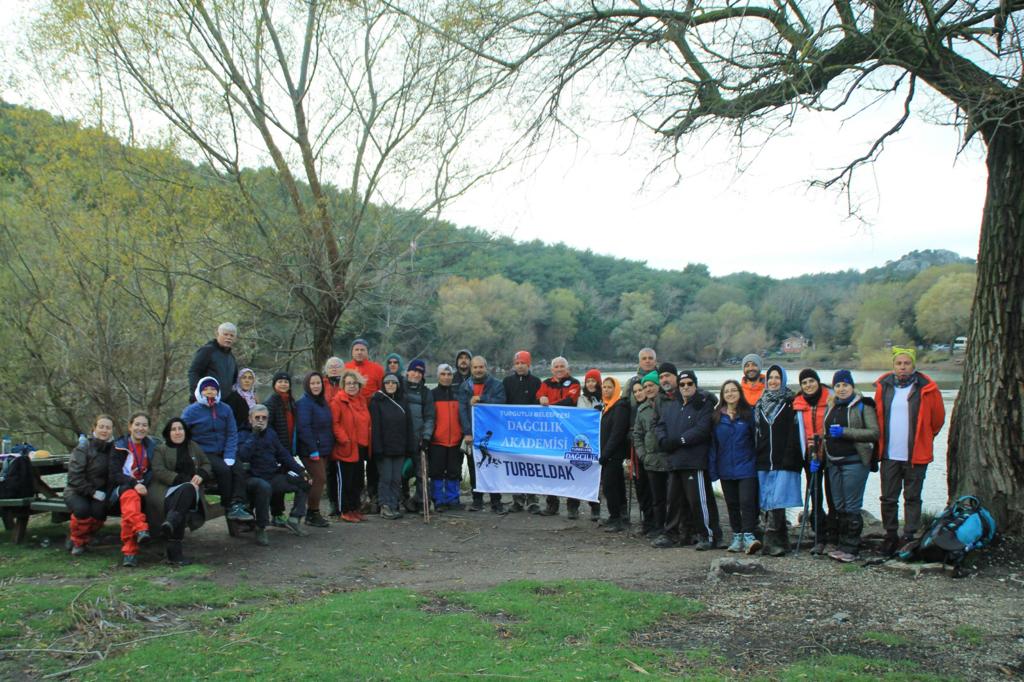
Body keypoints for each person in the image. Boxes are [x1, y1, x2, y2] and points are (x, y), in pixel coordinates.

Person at [874, 347, 946, 556]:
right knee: (888, 497)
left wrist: (924, 437)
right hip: (889, 453)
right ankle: (890, 535)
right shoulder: (884, 387)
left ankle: (909, 536)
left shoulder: (927, 388)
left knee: (912, 497)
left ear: (913, 365)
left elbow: (937, 419)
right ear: (893, 366)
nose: (902, 367)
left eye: (906, 363)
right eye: (899, 363)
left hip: (916, 454)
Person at [655, 369, 722, 550]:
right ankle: (671, 534)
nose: (686, 387)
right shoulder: (673, 406)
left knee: (698, 500)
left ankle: (708, 535)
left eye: (689, 384)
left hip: (694, 461)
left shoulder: (703, 404)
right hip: (675, 461)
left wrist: (680, 440)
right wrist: (663, 440)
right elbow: (661, 425)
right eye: (682, 384)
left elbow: (702, 429)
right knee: (673, 500)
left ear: (695, 384)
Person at [823, 370, 880, 562]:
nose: (841, 389)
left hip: (854, 462)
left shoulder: (864, 406)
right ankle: (841, 545)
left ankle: (852, 548)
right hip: (833, 461)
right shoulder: (831, 406)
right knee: (838, 505)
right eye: (838, 385)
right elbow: (826, 433)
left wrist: (845, 432)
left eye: (845, 385)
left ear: (852, 386)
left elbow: (873, 433)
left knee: (852, 506)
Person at [237, 405, 310, 546]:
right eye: (257, 417)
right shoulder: (243, 434)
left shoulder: (271, 434)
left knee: (304, 481)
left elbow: (283, 454)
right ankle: (261, 527)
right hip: (252, 477)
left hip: (272, 475)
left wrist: (301, 470)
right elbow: (242, 455)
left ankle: (294, 518)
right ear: (250, 419)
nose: (260, 420)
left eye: (264, 418)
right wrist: (255, 435)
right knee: (264, 487)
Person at [181, 376, 250, 523]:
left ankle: (238, 503)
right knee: (223, 470)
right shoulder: (191, 411)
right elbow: (182, 434)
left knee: (238, 468)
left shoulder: (225, 409)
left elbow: (232, 432)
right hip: (204, 452)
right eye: (206, 389)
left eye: (213, 389)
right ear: (200, 392)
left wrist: (230, 453)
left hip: (225, 450)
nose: (209, 392)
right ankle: (228, 505)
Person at [753, 365, 803, 556]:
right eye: (771, 378)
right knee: (767, 500)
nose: (773, 381)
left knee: (778, 500)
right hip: (765, 458)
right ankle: (782, 542)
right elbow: (758, 432)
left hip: (785, 459)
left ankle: (771, 541)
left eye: (777, 378)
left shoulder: (792, 403)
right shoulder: (760, 404)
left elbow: (797, 432)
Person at [150, 418, 212, 566]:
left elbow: (206, 463)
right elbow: (158, 470)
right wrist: (180, 479)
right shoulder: (161, 449)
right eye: (173, 429)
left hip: (191, 490)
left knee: (186, 493)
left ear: (185, 431)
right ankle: (175, 555)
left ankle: (171, 522)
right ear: (168, 433)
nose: (177, 432)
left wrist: (201, 474)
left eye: (180, 428)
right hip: (167, 490)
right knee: (180, 504)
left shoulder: (193, 446)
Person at [711, 380, 761, 554]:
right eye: (727, 391)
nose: (730, 394)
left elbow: (756, 441)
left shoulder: (749, 415)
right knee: (732, 504)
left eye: (734, 390)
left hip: (746, 466)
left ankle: (749, 536)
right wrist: (713, 469)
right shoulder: (717, 417)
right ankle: (737, 536)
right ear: (723, 395)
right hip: (725, 467)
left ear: (740, 393)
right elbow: (713, 445)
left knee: (747, 502)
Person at [792, 368, 837, 554]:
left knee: (833, 495)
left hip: (831, 452)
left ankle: (834, 537)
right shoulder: (797, 403)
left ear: (818, 382)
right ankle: (819, 537)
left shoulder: (831, 399)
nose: (808, 385)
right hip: (810, 455)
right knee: (815, 496)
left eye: (811, 381)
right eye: (804, 383)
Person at [536, 356, 584, 518]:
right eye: (556, 366)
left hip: (569, 431)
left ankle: (573, 507)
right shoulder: (545, 383)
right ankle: (552, 505)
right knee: (550, 467)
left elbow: (570, 401)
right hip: (550, 433)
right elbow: (539, 397)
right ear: (551, 369)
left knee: (572, 467)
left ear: (567, 368)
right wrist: (541, 399)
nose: (559, 369)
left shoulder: (575, 382)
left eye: (562, 366)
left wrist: (550, 405)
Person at [458, 355, 507, 513]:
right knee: (473, 467)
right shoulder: (465, 386)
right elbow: (462, 411)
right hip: (473, 433)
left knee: (493, 466)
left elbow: (501, 402)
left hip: (493, 433)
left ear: (486, 367)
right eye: (475, 367)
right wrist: (467, 432)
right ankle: (477, 500)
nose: (478, 370)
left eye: (481, 367)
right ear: (471, 369)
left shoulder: (497, 385)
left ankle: (496, 501)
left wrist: (481, 399)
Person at [64, 415, 115, 556]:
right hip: (77, 490)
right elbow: (74, 477)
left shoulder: (115, 449)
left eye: (108, 428)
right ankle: (78, 542)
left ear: (112, 430)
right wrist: (92, 492)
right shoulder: (83, 447)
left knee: (100, 511)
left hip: (100, 491)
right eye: (101, 427)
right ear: (94, 428)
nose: (104, 430)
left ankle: (86, 536)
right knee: (82, 510)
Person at [110, 412, 155, 567]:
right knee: (131, 499)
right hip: (123, 488)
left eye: (144, 425)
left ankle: (130, 552)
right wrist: (134, 483)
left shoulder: (151, 446)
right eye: (137, 424)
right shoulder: (119, 446)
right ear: (130, 426)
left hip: (145, 487)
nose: (140, 428)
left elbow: (154, 470)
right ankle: (139, 532)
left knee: (132, 507)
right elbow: (115, 474)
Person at [370, 373, 416, 519]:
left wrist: (410, 447)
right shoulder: (377, 402)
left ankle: (394, 504)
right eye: (387, 382)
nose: (390, 385)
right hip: (383, 449)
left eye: (393, 382)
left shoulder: (403, 401)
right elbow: (375, 427)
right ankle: (385, 506)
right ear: (383, 384)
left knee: (397, 479)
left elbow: (409, 426)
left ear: (398, 385)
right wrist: (377, 448)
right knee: (386, 478)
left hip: (400, 448)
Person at [346, 338, 384, 511]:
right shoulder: (346, 369)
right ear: (352, 352)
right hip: (354, 420)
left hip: (374, 418)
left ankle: (374, 494)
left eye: (362, 349)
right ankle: (359, 496)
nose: (359, 352)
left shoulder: (377, 369)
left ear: (367, 352)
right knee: (357, 460)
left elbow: (384, 392)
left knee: (374, 460)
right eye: (356, 349)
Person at [330, 370, 372, 522]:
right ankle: (344, 510)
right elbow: (334, 423)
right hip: (346, 447)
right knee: (345, 481)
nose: (352, 386)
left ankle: (355, 508)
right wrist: (344, 439)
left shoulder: (361, 400)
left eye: (354, 383)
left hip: (360, 447)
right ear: (343, 385)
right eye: (348, 383)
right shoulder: (338, 401)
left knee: (357, 481)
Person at [503, 350, 542, 513]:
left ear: (529, 364)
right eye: (517, 363)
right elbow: (501, 404)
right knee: (515, 465)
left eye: (523, 363)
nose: (519, 366)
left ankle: (533, 500)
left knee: (532, 465)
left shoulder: (536, 382)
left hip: (531, 432)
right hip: (513, 432)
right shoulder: (507, 381)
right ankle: (517, 500)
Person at [634, 372, 670, 542]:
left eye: (651, 385)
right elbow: (637, 434)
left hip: (669, 459)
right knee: (657, 499)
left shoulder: (670, 404)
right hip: (651, 460)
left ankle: (674, 528)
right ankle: (659, 527)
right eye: (645, 386)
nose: (648, 389)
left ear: (658, 386)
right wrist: (642, 454)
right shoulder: (642, 409)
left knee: (673, 497)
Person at [295, 371, 334, 528]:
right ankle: (312, 512)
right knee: (319, 479)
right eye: (312, 383)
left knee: (319, 479)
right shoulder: (304, 403)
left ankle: (312, 512)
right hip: (311, 449)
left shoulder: (322, 402)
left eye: (318, 383)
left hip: (324, 447)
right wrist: (312, 449)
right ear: (307, 385)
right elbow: (304, 427)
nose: (316, 386)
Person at [264, 371, 296, 527]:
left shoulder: (290, 401)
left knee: (283, 480)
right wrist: (275, 447)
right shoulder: (271, 402)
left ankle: (279, 513)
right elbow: (267, 427)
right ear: (274, 384)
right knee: (277, 482)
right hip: (277, 449)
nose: (283, 384)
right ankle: (276, 514)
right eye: (280, 381)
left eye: (286, 381)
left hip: (288, 447)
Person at [430, 364, 464, 511]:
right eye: (443, 374)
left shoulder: (459, 394)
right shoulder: (432, 394)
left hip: (456, 440)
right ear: (438, 376)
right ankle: (438, 499)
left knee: (454, 471)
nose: (446, 377)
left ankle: (453, 499)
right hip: (437, 440)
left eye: (449, 374)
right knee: (437, 472)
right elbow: (429, 417)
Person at [403, 359, 435, 513]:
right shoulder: (399, 388)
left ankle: (423, 501)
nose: (416, 374)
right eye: (414, 371)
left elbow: (429, 417)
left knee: (422, 473)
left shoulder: (425, 392)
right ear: (408, 372)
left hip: (418, 438)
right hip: (400, 438)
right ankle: (400, 499)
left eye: (420, 372)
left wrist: (426, 436)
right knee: (399, 473)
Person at [599, 377, 630, 532]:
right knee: (616, 485)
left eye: (610, 387)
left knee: (610, 487)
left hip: (613, 454)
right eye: (604, 387)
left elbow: (617, 433)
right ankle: (620, 516)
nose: (606, 389)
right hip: (607, 453)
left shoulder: (620, 406)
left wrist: (606, 453)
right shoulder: (605, 407)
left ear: (616, 388)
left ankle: (616, 518)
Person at [628, 378, 655, 536]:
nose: (639, 393)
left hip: (650, 455)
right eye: (635, 391)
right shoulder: (633, 409)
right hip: (637, 455)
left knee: (653, 491)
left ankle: (655, 522)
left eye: (641, 390)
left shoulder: (653, 408)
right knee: (642, 490)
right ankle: (647, 521)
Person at [188, 322, 239, 400]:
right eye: (225, 334)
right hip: (205, 401)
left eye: (232, 335)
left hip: (223, 404)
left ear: (235, 338)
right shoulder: (207, 351)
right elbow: (193, 372)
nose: (229, 337)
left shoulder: (231, 357)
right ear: (217, 334)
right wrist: (198, 396)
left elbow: (234, 381)